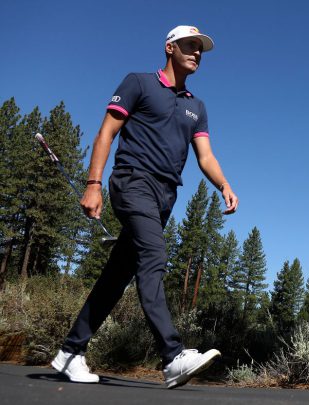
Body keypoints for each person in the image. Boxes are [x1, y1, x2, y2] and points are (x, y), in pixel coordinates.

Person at [51, 25, 238, 389]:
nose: (196, 52)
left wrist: (224, 184)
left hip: (165, 196)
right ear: (170, 47)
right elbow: (106, 132)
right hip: (133, 181)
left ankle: (70, 352)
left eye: (200, 49)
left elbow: (206, 155)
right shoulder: (138, 83)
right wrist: (93, 184)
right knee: (154, 258)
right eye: (189, 45)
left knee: (117, 274)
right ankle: (172, 356)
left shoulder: (196, 107)